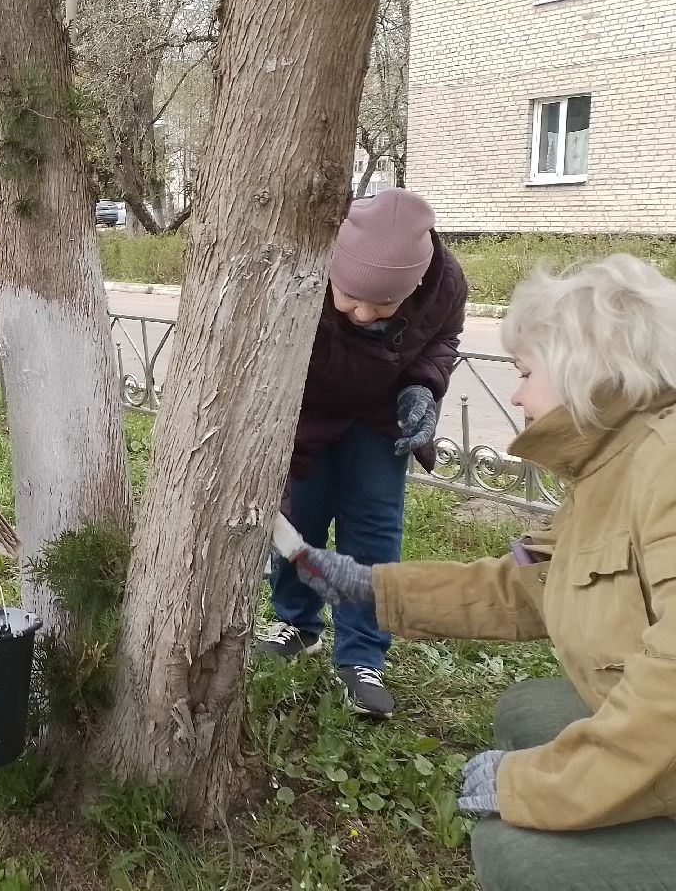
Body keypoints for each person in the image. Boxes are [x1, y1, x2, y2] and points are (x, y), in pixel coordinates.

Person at [276, 254, 676, 891]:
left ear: (585, 369)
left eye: (524, 373)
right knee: (526, 711)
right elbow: (527, 587)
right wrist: (370, 587)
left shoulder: (664, 469)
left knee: (520, 855)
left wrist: (542, 785)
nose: (514, 394)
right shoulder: (615, 463)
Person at [258, 188, 467, 717]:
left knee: (373, 529)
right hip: (306, 415)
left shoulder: (445, 285)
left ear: (416, 284)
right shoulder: (304, 269)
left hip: (379, 421)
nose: (362, 313)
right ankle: (296, 623)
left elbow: (444, 338)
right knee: (298, 517)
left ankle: (361, 656)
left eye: (384, 305)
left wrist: (423, 385)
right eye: (349, 297)